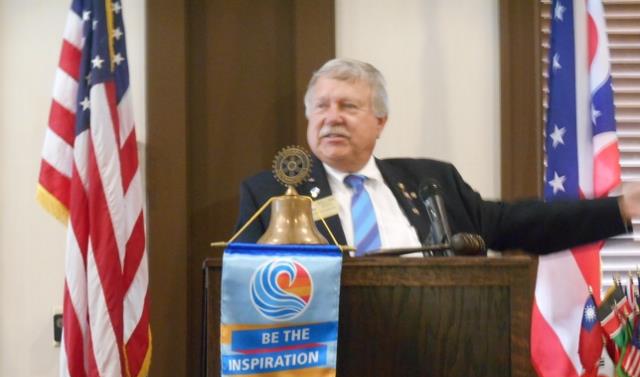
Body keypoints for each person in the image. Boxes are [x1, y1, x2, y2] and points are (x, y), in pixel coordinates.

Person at [234, 58, 638, 255]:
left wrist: (618, 208)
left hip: (439, 353)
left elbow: (516, 223)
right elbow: (243, 282)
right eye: (321, 107)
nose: (332, 117)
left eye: (348, 106)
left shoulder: (433, 183)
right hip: (324, 364)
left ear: (380, 121)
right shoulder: (270, 193)